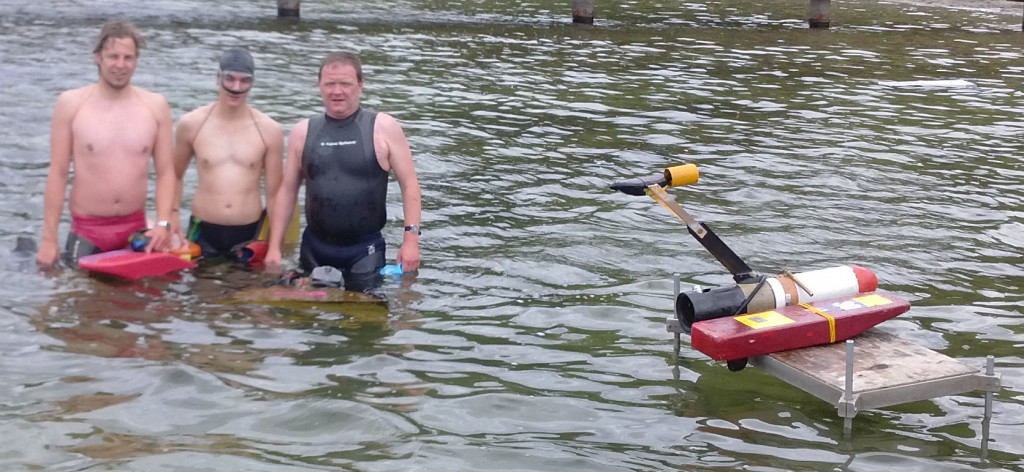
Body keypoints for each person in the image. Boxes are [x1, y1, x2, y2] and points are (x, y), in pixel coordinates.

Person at [265, 51, 422, 291]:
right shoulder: (302, 131)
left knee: (365, 322)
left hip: (364, 250)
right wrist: (274, 247)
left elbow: (410, 185)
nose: (337, 91)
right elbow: (287, 191)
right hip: (314, 247)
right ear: (319, 86)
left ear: (360, 85)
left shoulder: (383, 128)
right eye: (330, 84)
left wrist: (411, 242)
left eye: (345, 84)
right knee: (309, 323)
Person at [37, 20, 175, 268]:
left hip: (136, 228)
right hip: (88, 229)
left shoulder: (155, 106)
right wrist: (49, 239)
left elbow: (166, 172)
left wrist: (164, 225)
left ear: (136, 60)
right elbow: (58, 174)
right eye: (113, 57)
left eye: (128, 58)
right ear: (98, 57)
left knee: (138, 304)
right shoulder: (71, 104)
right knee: (85, 300)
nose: (120, 65)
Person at [173, 47, 284, 261]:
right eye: (230, 79)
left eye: (244, 81)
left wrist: (275, 247)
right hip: (202, 230)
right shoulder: (192, 124)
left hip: (249, 232)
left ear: (252, 83)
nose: (236, 87)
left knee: (244, 292)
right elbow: (173, 175)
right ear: (218, 79)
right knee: (199, 292)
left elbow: (275, 195)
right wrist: (171, 221)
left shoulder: (269, 131)